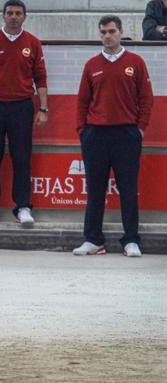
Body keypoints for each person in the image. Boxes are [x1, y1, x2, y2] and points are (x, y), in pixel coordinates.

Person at [74, 15, 154, 257]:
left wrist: (139, 129)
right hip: (95, 135)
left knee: (128, 190)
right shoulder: (91, 65)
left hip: (127, 134)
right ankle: (93, 240)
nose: (107, 36)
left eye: (111, 31)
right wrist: (82, 131)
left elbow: (146, 99)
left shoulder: (136, 62)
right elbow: (82, 102)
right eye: (103, 32)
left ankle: (130, 240)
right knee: (95, 190)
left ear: (120, 32)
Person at [0, 0, 48, 228]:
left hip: (22, 107)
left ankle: (23, 207)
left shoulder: (32, 43)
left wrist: (43, 108)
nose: (14, 16)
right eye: (10, 13)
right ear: (3, 16)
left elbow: (40, 77)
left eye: (18, 13)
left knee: (21, 158)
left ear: (25, 17)